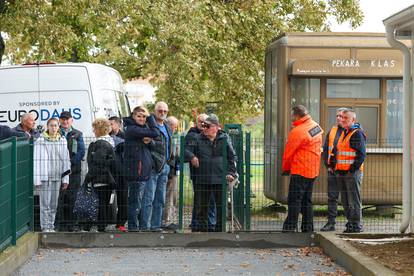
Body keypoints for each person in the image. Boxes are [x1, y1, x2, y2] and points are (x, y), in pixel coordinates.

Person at [185, 114, 237, 232]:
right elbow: (185, 151)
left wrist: (231, 173)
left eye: (207, 126)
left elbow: (232, 157)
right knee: (202, 208)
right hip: (203, 178)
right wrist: (192, 156)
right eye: (203, 125)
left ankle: (220, 233)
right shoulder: (197, 138)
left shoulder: (224, 138)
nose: (204, 128)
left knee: (220, 208)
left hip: (220, 178)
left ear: (216, 127)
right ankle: (204, 234)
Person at [282, 105, 323, 233]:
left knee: (294, 200)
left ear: (296, 115)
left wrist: (285, 169)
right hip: (313, 170)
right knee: (307, 201)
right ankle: (307, 229)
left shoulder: (298, 131)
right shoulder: (316, 126)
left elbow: (288, 153)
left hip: (300, 170)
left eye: (292, 116)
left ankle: (289, 229)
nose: (291, 119)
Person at [123, 106, 160, 232]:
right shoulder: (132, 129)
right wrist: (150, 118)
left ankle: (142, 226)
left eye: (144, 116)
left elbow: (153, 145)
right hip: (136, 172)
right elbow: (156, 132)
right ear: (133, 116)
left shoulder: (143, 129)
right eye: (139, 116)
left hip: (145, 171)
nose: (142, 118)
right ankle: (133, 227)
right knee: (135, 201)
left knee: (144, 200)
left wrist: (149, 141)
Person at [34, 118, 71, 232]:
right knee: (45, 204)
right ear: (47, 126)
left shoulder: (62, 140)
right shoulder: (40, 141)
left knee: (54, 205)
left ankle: (51, 226)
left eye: (55, 125)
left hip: (57, 177)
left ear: (58, 127)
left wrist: (66, 179)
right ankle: (45, 227)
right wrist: (37, 180)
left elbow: (66, 160)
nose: (54, 128)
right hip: (46, 178)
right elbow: (36, 160)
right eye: (51, 125)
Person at [141, 101, 173, 231]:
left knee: (160, 199)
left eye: (165, 111)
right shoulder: (148, 125)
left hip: (164, 166)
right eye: (160, 111)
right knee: (148, 197)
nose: (163, 113)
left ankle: (155, 225)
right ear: (155, 111)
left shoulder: (167, 126)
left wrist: (169, 164)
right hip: (152, 166)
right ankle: (145, 225)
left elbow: (169, 147)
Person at [335, 109, 366, 233]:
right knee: (345, 200)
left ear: (353, 120)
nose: (342, 120)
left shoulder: (357, 133)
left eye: (345, 118)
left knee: (354, 199)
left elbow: (361, 154)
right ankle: (350, 224)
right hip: (342, 172)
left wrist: (352, 170)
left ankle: (356, 225)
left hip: (352, 173)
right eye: (341, 117)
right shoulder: (345, 132)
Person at [83, 118, 117, 232]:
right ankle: (101, 226)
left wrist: (88, 178)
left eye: (94, 128)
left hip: (100, 178)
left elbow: (98, 163)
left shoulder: (100, 144)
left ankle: (98, 227)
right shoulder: (110, 142)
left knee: (98, 203)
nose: (93, 131)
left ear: (99, 129)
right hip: (108, 178)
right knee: (104, 203)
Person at [185, 113, 216, 231]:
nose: (203, 125)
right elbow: (186, 150)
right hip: (198, 174)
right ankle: (196, 224)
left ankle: (209, 224)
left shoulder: (211, 135)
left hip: (211, 174)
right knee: (199, 200)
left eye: (206, 123)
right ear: (196, 122)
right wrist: (192, 156)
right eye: (201, 122)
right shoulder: (192, 135)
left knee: (210, 200)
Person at [56, 111, 85, 232]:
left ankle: (72, 224)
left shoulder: (78, 134)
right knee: (60, 198)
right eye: (62, 119)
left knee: (73, 198)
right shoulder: (55, 133)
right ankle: (60, 224)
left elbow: (81, 151)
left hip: (74, 171)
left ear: (71, 120)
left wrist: (70, 163)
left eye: (67, 119)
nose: (65, 121)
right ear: (60, 121)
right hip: (59, 171)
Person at [320, 107, 348, 232]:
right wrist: (328, 166)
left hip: (347, 172)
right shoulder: (332, 130)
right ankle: (331, 223)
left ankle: (352, 223)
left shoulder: (352, 131)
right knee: (332, 197)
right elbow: (326, 149)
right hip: (333, 171)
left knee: (348, 198)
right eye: (337, 116)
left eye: (341, 116)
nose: (338, 118)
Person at [163, 116, 180, 230]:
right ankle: (166, 220)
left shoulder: (171, 137)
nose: (175, 129)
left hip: (172, 170)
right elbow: (175, 155)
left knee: (171, 196)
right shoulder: (169, 138)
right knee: (169, 196)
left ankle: (167, 219)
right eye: (174, 126)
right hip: (170, 171)